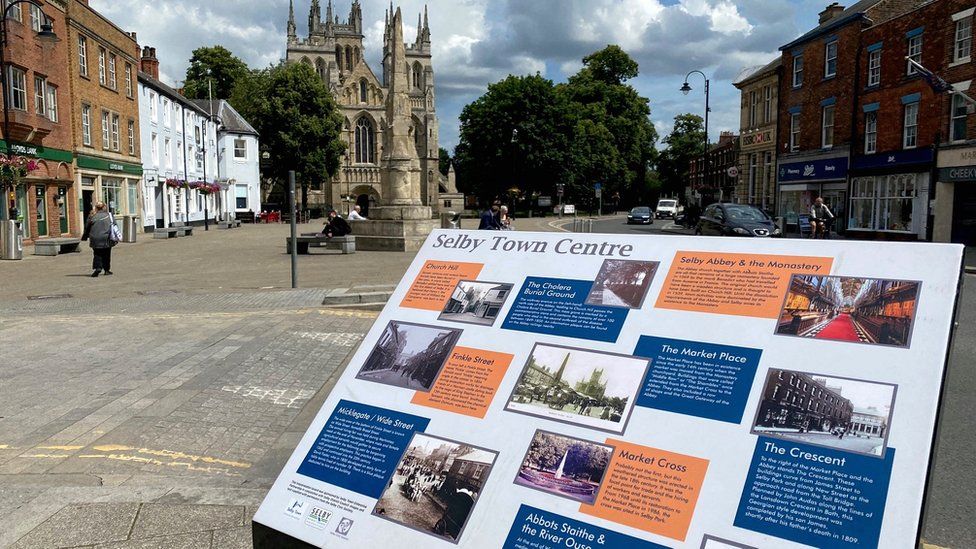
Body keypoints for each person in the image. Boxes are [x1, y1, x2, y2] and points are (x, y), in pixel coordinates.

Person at [81, 201, 115, 277]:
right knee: (107, 253)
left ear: (96, 207)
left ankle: (98, 268)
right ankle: (106, 270)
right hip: (106, 237)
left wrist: (85, 237)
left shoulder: (92, 216)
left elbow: (87, 227)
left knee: (97, 253)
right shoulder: (109, 215)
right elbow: (114, 225)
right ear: (104, 207)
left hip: (95, 238)